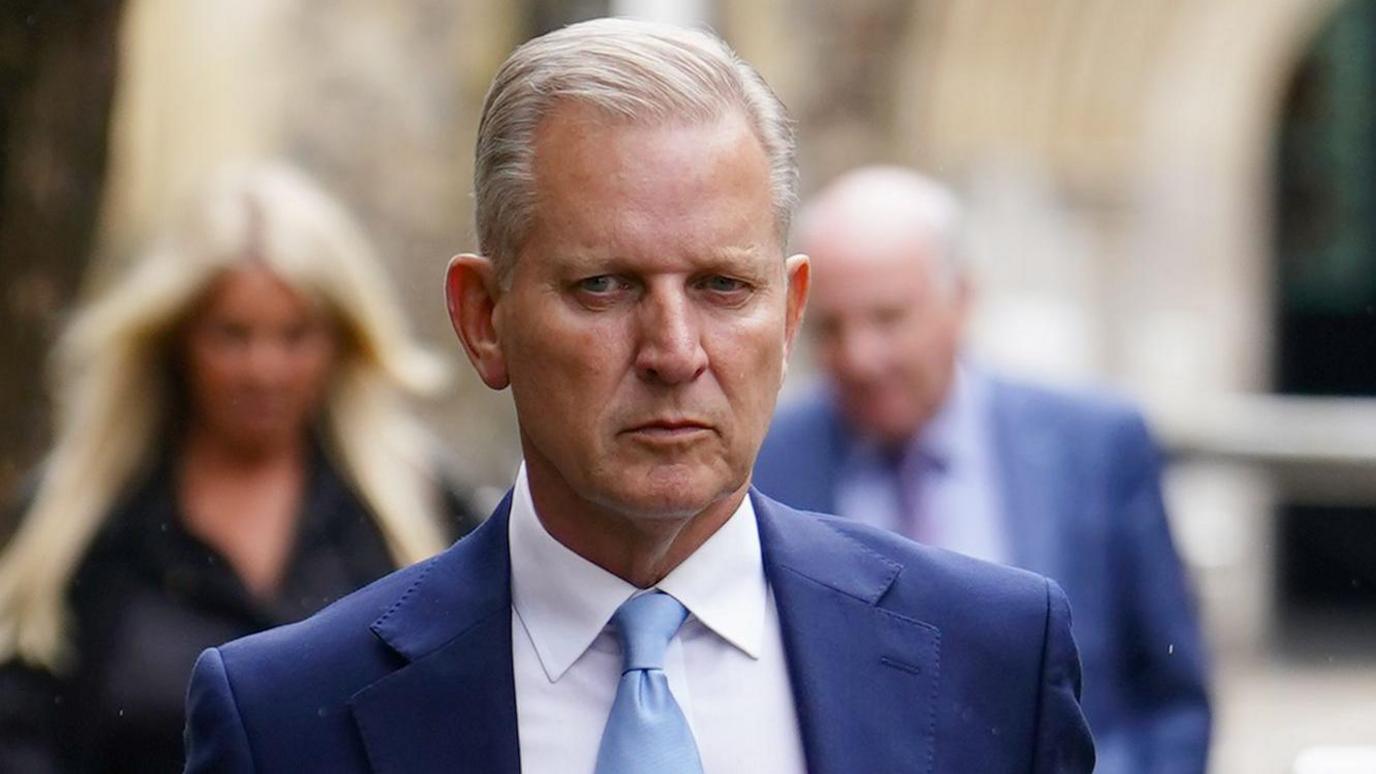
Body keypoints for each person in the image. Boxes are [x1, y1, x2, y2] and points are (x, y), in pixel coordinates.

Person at [183, 19, 1094, 773]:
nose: (673, 351)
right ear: (484, 318)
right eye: (605, 287)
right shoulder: (287, 719)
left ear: (790, 314)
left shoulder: (995, 661)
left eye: (723, 287)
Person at [0, 162, 478, 773]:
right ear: (177, 339)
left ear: (339, 341)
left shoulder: (423, 509)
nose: (263, 370)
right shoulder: (77, 523)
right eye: (233, 335)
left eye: (294, 335)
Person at [753, 166, 1211, 773]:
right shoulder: (766, 458)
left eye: (888, 318)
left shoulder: (1094, 446)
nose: (861, 357)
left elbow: (1171, 694)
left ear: (962, 299)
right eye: (832, 328)